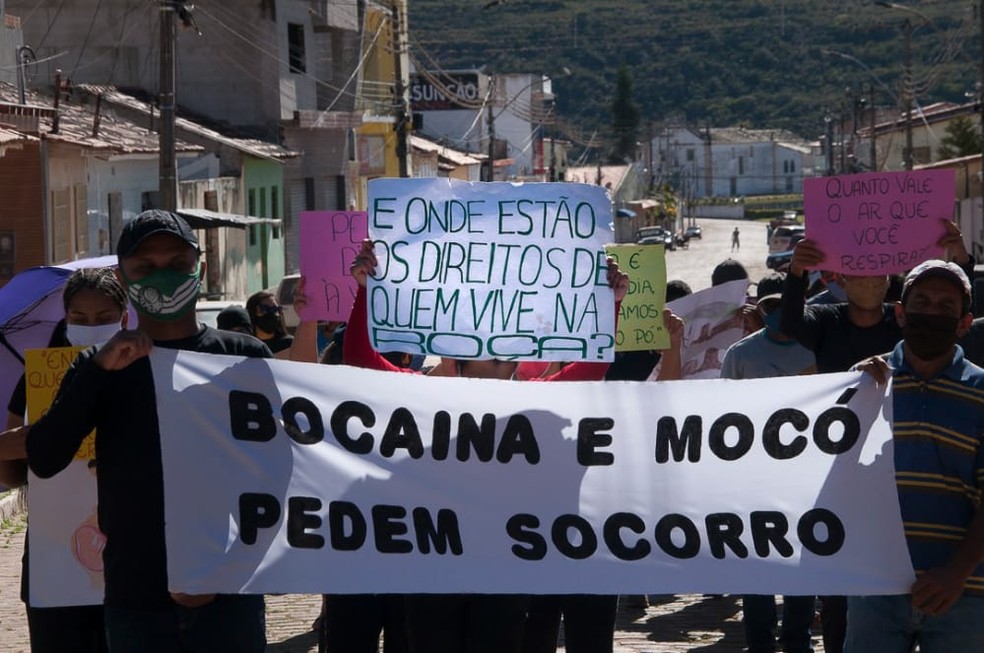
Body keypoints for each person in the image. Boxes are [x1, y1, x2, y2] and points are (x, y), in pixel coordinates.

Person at [344, 239, 628, 653]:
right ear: (456, 359)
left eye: (504, 352)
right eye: (483, 350)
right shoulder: (426, 398)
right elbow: (361, 364)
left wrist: (609, 302)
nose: (497, 352)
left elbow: (592, 367)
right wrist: (366, 291)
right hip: (431, 564)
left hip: (503, 564)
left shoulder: (534, 397)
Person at [25, 210, 271, 653]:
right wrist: (98, 370)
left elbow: (278, 472)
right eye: (146, 268)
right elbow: (44, 456)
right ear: (124, 276)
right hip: (136, 600)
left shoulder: (243, 356)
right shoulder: (100, 365)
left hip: (229, 596)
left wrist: (223, 572)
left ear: (200, 265)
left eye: (177, 264)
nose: (163, 278)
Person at [847, 260, 984, 652]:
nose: (932, 312)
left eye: (946, 306)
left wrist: (956, 572)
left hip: (965, 594)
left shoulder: (981, 393)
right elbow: (835, 476)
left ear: (964, 323)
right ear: (901, 314)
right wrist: (852, 396)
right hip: (874, 586)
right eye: (922, 302)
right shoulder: (863, 383)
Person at [2, 267, 129, 653]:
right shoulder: (38, 377)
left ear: (124, 318)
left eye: (103, 319)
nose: (92, 326)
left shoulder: (144, 372)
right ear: (66, 320)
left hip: (130, 554)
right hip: (53, 557)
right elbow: (9, 472)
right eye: (80, 318)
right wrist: (31, 442)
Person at [720, 273, 816, 653]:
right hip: (753, 479)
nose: (779, 313)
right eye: (771, 307)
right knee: (756, 565)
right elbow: (721, 417)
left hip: (806, 479)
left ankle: (797, 639)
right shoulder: (740, 354)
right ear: (761, 309)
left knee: (804, 567)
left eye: (785, 306)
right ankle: (759, 641)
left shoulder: (817, 349)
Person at [245, 289, 293, 355]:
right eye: (265, 309)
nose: (271, 313)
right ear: (252, 313)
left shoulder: (290, 345)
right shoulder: (245, 347)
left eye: (275, 309)